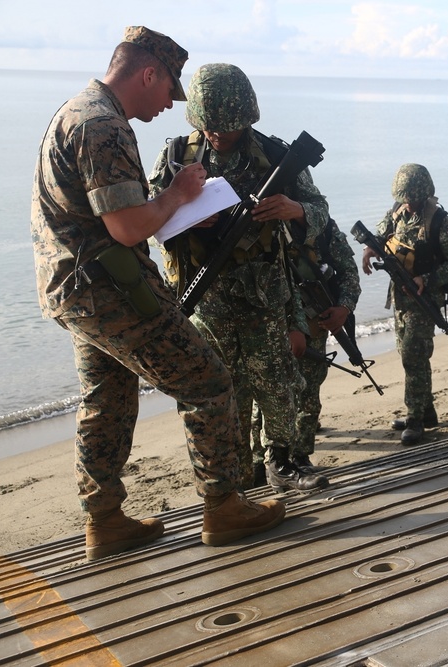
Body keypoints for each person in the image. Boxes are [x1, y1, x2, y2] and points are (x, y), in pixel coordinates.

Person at [31, 27, 285, 560]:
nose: (171, 104)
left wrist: (168, 206)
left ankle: (104, 520)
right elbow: (127, 227)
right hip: (112, 292)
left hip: (74, 290)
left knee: (107, 397)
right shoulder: (103, 126)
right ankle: (223, 506)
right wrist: (177, 195)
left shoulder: (74, 112)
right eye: (170, 89)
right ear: (148, 74)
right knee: (208, 381)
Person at [148, 63, 327, 492]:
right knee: (224, 391)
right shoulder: (176, 157)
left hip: (264, 294)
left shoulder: (276, 155)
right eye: (208, 126)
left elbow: (320, 211)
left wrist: (294, 210)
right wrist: (186, 218)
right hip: (206, 296)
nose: (216, 134)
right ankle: (237, 477)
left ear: (246, 118)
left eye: (225, 127)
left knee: (277, 383)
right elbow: (149, 221)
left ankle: (282, 461)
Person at [360, 164, 448, 445]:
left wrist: (426, 279)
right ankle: (426, 411)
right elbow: (379, 235)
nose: (407, 203)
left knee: (413, 356)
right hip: (400, 297)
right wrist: (370, 249)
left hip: (424, 299)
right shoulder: (397, 212)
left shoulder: (439, 221)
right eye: (403, 198)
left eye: (411, 198)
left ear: (423, 193)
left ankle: (415, 418)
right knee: (407, 353)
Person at [277, 216, 361, 469]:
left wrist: (344, 307)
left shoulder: (321, 226)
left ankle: (300, 456)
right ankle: (268, 461)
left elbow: (348, 272)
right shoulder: (258, 225)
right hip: (270, 326)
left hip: (314, 324)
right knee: (269, 397)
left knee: (308, 393)